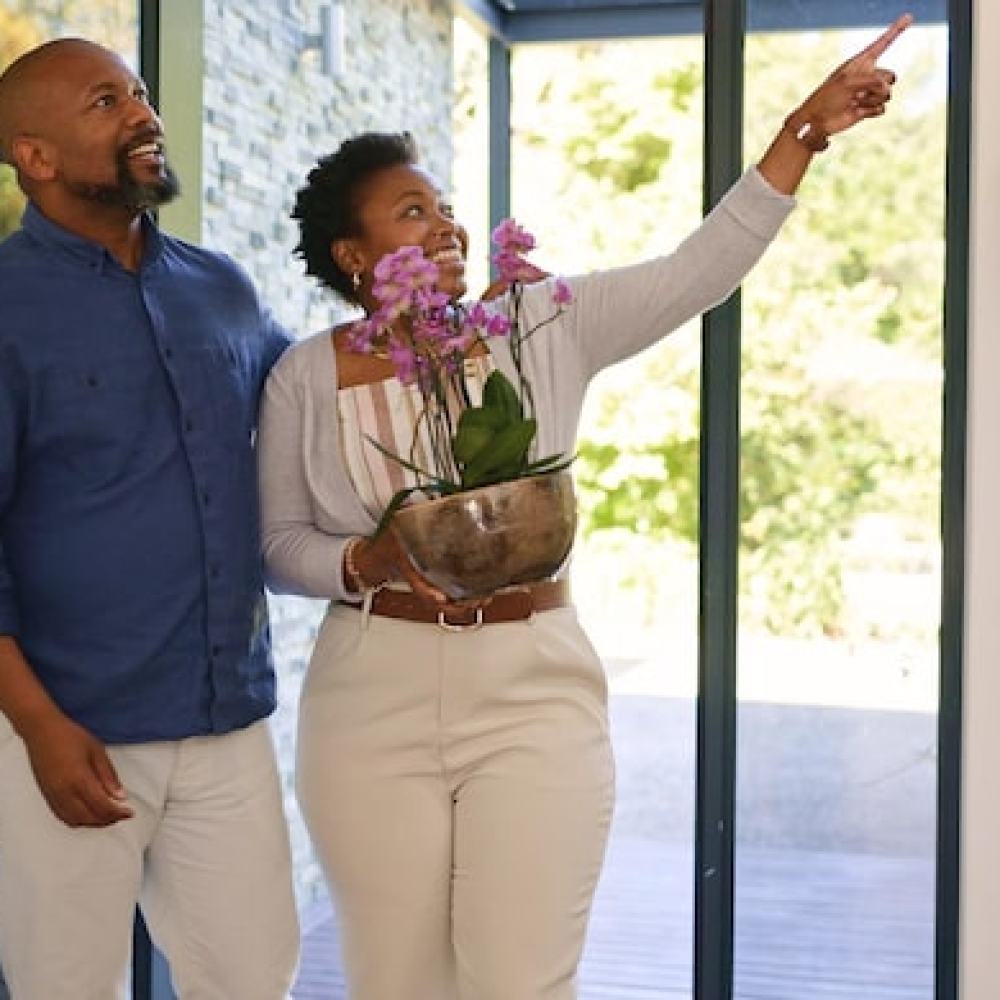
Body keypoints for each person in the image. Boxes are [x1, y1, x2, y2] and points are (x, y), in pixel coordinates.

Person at [257, 14, 912, 1000]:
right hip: (367, 698)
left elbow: (697, 272)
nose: (444, 227)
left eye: (444, 208)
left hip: (534, 692)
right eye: (411, 212)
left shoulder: (536, 322)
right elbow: (279, 543)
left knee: (521, 979)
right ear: (354, 254)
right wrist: (367, 562)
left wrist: (801, 132)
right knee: (396, 982)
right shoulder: (304, 376)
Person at [0, 38, 300, 999]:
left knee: (257, 982)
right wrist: (39, 726)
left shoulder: (221, 288)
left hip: (227, 726)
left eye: (139, 93)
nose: (143, 114)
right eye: (105, 101)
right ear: (34, 157)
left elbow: (315, 408)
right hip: (67, 733)